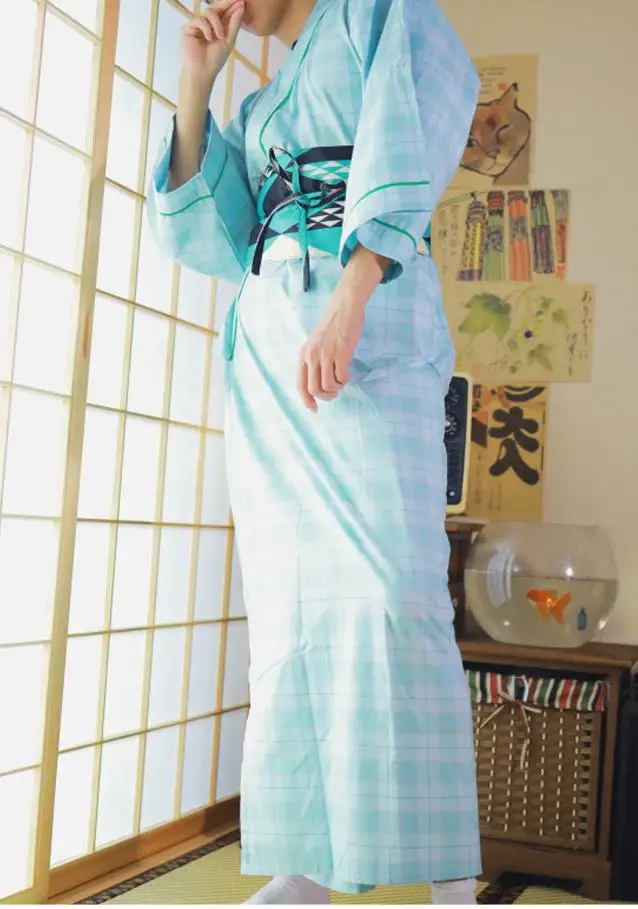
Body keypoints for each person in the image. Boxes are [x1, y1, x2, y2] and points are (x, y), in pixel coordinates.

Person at [147, 0, 481, 903]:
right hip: (270, 356)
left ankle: (452, 875)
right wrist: (197, 84)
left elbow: (416, 124)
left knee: (396, 593)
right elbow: (213, 235)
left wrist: (352, 293)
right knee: (290, 607)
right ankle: (304, 866)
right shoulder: (257, 110)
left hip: (368, 329)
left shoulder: (375, 13)